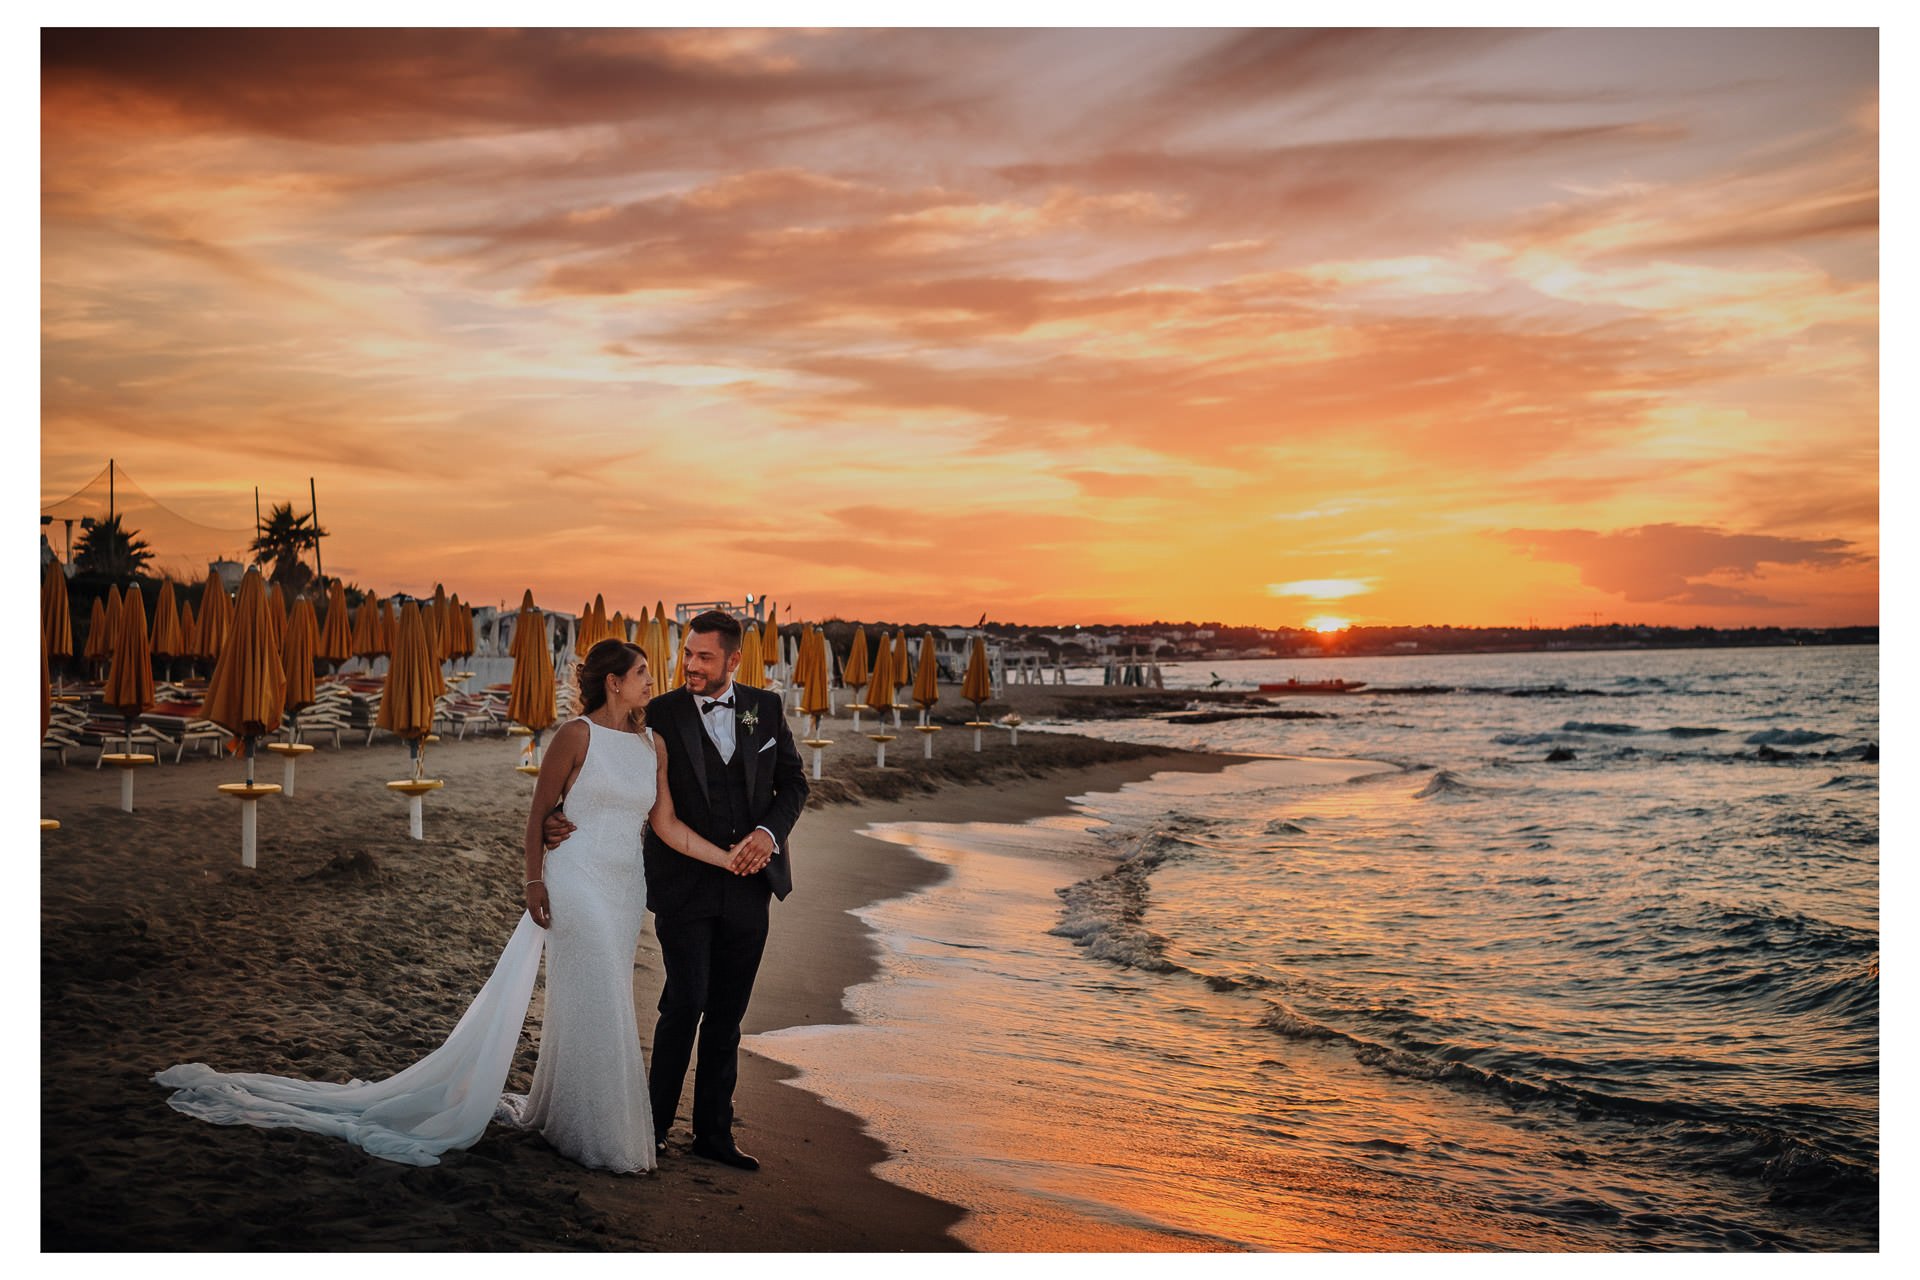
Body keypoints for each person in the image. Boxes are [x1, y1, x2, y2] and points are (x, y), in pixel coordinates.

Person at [154, 639, 741, 1171]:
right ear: (614, 682)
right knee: (606, 999)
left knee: (595, 995)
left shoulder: (651, 743)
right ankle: (603, 1134)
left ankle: (565, 1115)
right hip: (577, 877)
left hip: (624, 887)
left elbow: (663, 823)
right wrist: (533, 882)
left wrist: (727, 858)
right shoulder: (574, 735)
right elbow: (539, 814)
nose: (650, 680)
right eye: (641, 672)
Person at [544, 609, 808, 1172]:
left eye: (704, 657)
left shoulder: (765, 708)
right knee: (685, 1001)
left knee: (728, 1015)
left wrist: (767, 833)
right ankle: (654, 1126)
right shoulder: (656, 714)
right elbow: (605, 771)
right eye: (687, 654)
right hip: (683, 885)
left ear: (734, 660)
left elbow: (794, 784)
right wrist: (557, 819)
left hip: (750, 886)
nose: (690, 665)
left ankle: (713, 1133)